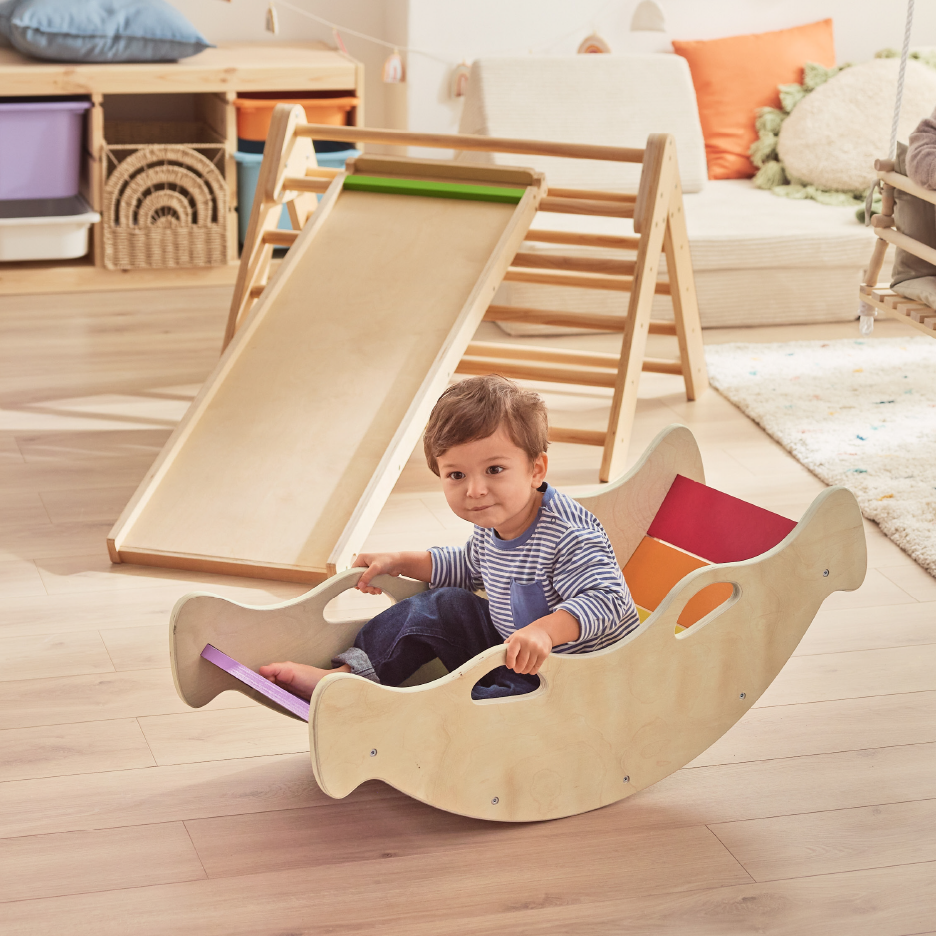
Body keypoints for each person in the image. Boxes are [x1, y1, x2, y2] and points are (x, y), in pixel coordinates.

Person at [259, 375, 640, 701]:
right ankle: (346, 681)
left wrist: (544, 630)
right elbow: (469, 565)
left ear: (535, 469)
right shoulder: (493, 520)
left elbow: (608, 600)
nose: (474, 490)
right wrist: (401, 561)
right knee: (443, 604)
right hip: (511, 654)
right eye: (456, 475)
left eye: (494, 469)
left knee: (484, 710)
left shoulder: (569, 535)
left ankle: (427, 720)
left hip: (575, 677)